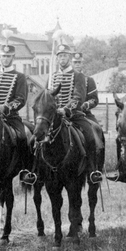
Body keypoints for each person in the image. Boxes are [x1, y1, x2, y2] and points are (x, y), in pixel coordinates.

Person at [48, 43, 104, 184]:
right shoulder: (52, 77)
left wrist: (66, 109)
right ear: (57, 58)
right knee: (37, 138)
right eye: (60, 56)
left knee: (90, 136)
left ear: (69, 58)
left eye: (65, 55)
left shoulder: (79, 76)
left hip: (74, 115)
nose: (62, 58)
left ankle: (93, 170)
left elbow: (78, 97)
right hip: (55, 117)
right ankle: (35, 171)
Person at [0, 41, 35, 184]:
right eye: (3, 56)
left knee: (22, 137)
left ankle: (25, 170)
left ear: (13, 58)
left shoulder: (19, 77)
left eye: (8, 56)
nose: (5, 59)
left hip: (10, 117)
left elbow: (21, 99)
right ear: (0, 57)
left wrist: (6, 107)